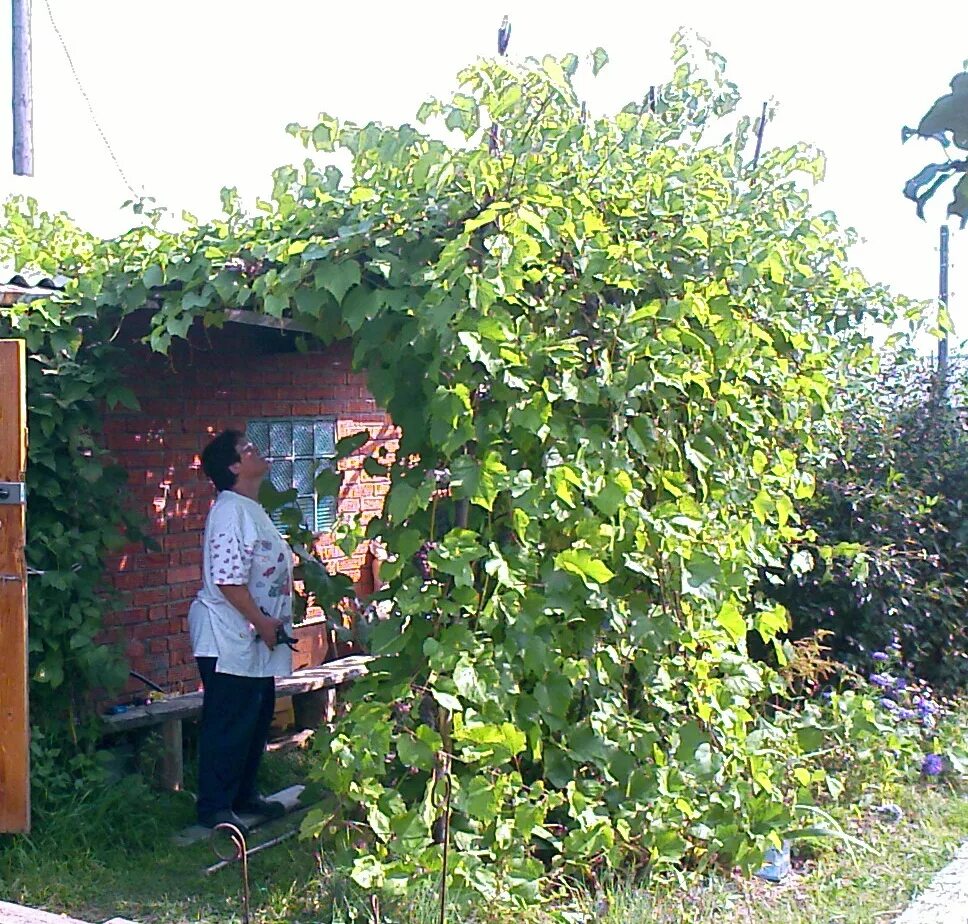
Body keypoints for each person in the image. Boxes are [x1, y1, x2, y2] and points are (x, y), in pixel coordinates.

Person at [188, 429, 294, 832]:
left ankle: (244, 795)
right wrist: (262, 621)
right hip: (227, 636)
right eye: (247, 449)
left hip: (253, 636)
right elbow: (228, 580)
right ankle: (215, 808)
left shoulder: (250, 507)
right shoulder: (229, 511)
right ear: (234, 467)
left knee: (256, 715)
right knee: (229, 720)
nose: (257, 451)